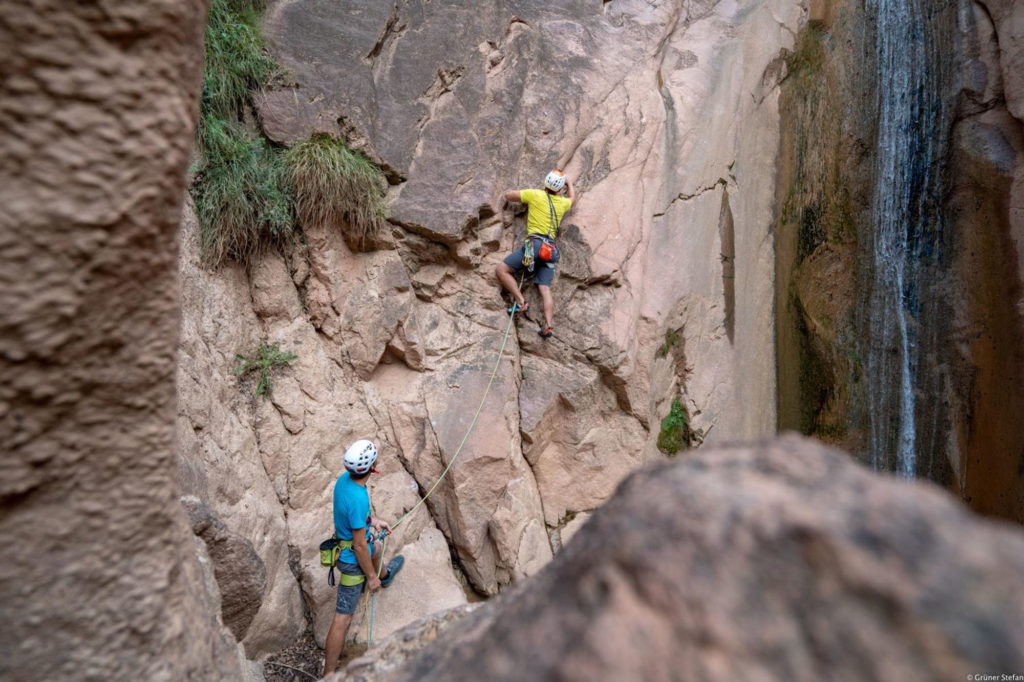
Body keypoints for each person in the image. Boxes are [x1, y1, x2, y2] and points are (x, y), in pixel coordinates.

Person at [322, 439, 404, 678]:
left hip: (346, 545)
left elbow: (354, 518)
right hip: (351, 561)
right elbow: (359, 546)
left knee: (376, 545)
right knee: (343, 618)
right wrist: (370, 578)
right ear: (372, 466)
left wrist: (374, 521)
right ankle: (328, 675)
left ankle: (385, 574)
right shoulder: (358, 497)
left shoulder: (344, 480)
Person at [495, 169, 576, 339]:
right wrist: (569, 183)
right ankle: (548, 326)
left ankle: (520, 302)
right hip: (550, 251)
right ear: (560, 188)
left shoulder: (535, 195)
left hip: (535, 245)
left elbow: (509, 195)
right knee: (544, 288)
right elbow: (572, 199)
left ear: (546, 182)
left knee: (502, 270)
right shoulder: (562, 204)